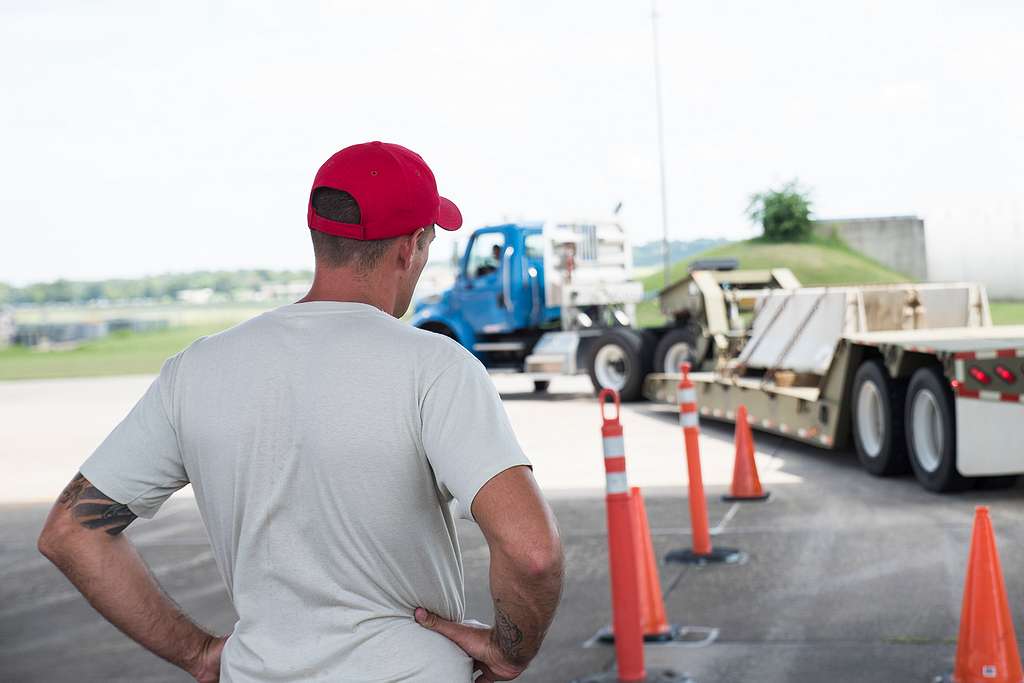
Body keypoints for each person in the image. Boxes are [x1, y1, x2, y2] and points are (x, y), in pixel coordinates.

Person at [37, 141, 564, 682]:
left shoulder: (196, 370)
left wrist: (196, 653)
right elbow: (531, 552)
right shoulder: (434, 367)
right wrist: (508, 651)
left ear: (321, 239)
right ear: (409, 250)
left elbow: (73, 532)